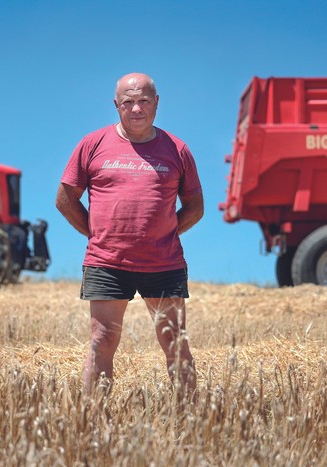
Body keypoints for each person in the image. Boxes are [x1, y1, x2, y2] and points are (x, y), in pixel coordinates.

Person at [56, 72, 204, 399]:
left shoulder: (177, 149)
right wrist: (96, 235)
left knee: (173, 338)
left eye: (144, 101)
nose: (136, 109)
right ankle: (92, 421)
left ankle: (192, 418)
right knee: (103, 339)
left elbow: (195, 207)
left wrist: (162, 233)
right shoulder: (92, 144)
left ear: (156, 103)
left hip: (163, 263)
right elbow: (65, 199)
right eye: (128, 102)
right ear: (116, 105)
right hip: (106, 263)